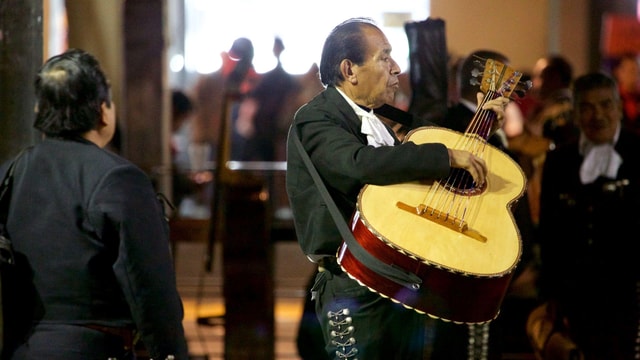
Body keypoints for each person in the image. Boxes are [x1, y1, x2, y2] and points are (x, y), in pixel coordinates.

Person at [286, 18, 509, 359]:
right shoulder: (316, 119)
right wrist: (445, 156)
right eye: (384, 58)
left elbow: (421, 165)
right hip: (353, 285)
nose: (396, 68)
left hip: (399, 282)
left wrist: (482, 125)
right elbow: (360, 164)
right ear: (350, 70)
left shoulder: (376, 117)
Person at [0, 49, 188, 360]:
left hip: (20, 349)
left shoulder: (10, 174)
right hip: (95, 349)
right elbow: (151, 291)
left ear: (39, 110)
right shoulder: (119, 179)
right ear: (103, 111)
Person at [431, 49, 538, 359]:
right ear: (490, 86)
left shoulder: (449, 125)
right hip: (473, 269)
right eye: (509, 84)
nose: (514, 91)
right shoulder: (472, 134)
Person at [527, 72, 640, 359]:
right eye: (588, 107)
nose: (597, 115)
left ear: (618, 107)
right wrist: (550, 292)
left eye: (605, 105)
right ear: (576, 114)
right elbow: (550, 230)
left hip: (631, 293)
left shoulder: (638, 153)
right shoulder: (560, 160)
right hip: (575, 294)